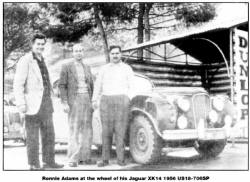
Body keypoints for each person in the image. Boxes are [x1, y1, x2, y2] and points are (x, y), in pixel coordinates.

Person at [13, 33, 64, 170]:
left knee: (49, 134)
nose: (40, 46)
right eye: (38, 44)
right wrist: (21, 104)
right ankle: (34, 164)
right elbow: (18, 84)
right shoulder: (25, 60)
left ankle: (49, 161)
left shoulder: (43, 59)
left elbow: (46, 80)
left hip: (46, 103)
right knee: (33, 137)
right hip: (32, 105)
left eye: (43, 44)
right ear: (32, 45)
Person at [92, 45, 134, 167]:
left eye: (117, 53)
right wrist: (95, 99)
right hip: (106, 101)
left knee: (120, 131)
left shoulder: (127, 68)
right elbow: (98, 85)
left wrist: (127, 98)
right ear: (109, 55)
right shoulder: (104, 69)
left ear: (121, 54)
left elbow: (132, 85)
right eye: (113, 53)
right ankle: (105, 160)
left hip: (121, 100)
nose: (115, 55)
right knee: (106, 131)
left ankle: (121, 159)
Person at [59, 44, 96, 167]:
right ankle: (73, 159)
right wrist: (64, 102)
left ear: (83, 52)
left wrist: (92, 101)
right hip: (74, 101)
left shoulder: (87, 67)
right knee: (74, 130)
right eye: (76, 51)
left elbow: (91, 85)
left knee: (87, 130)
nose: (79, 53)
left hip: (87, 99)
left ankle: (85, 157)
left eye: (81, 51)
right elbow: (62, 85)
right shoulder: (66, 66)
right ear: (73, 53)